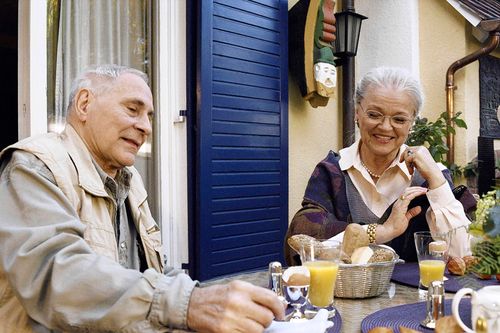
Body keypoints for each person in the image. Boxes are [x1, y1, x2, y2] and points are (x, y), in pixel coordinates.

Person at [0, 64, 284, 332]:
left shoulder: (129, 181)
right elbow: (55, 275)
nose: (146, 127)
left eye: (149, 116)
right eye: (133, 109)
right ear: (84, 104)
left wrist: (206, 298)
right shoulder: (34, 166)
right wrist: (187, 304)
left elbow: (152, 271)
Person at [285, 66, 475, 266]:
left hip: (417, 296)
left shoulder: (430, 177)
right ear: (357, 113)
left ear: (412, 123)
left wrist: (437, 179)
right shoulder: (332, 172)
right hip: (342, 295)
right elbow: (302, 246)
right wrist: (381, 232)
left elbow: (462, 255)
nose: (385, 127)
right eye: (374, 115)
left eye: (399, 119)